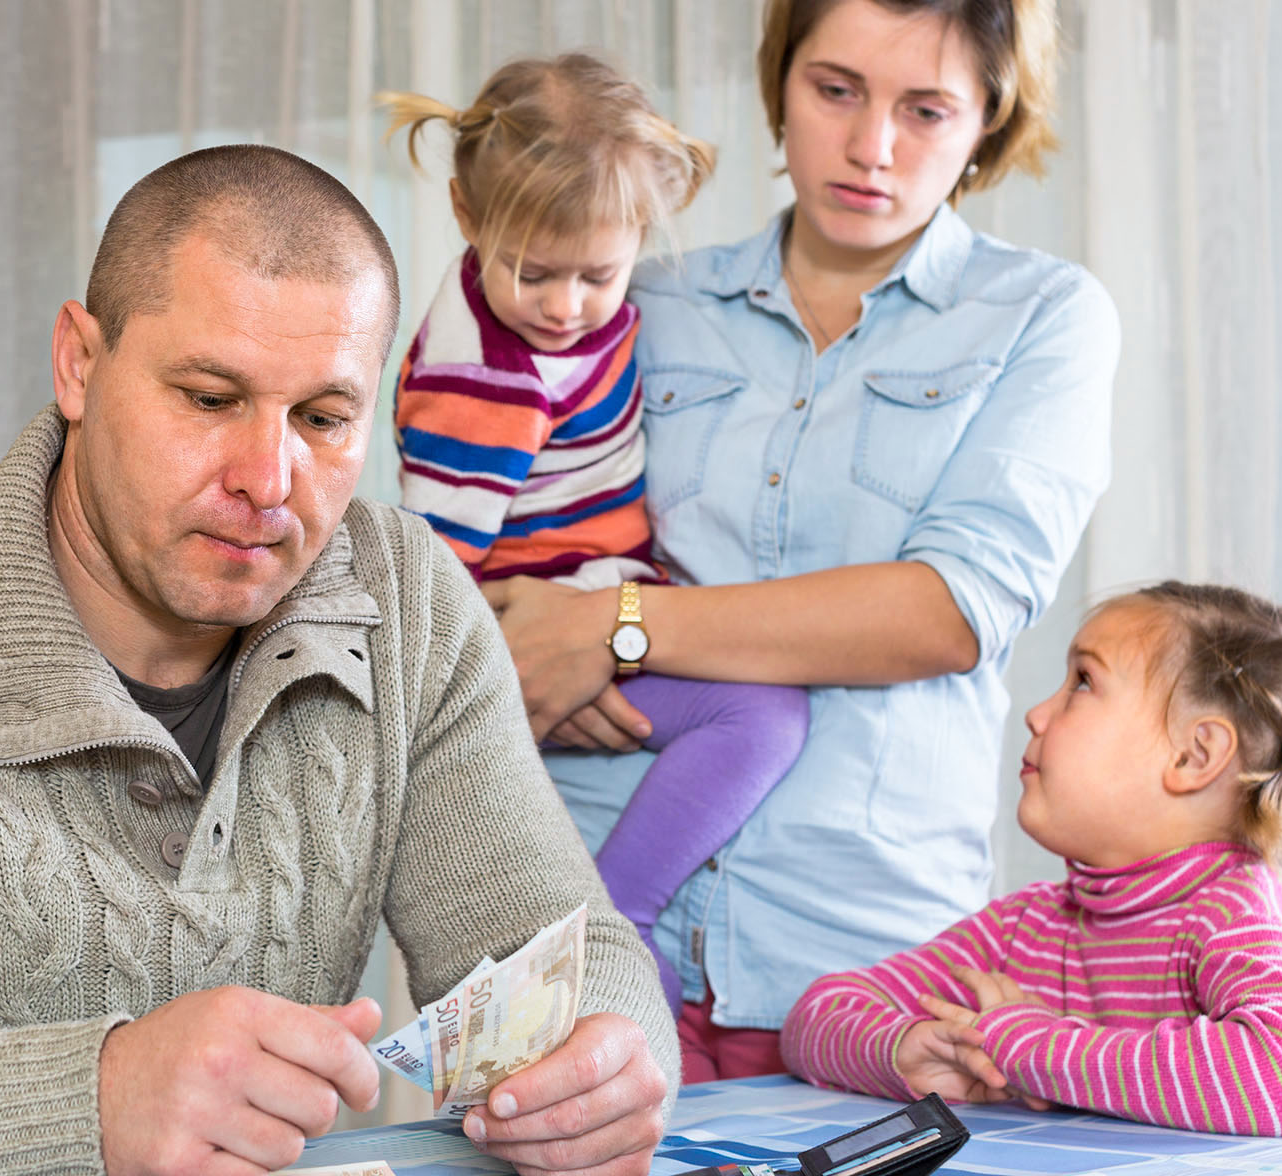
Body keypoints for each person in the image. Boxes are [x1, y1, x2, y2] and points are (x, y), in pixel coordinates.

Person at [0, 145, 676, 1176]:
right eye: (209, 399)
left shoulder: (409, 603)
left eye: (324, 418)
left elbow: (570, 957)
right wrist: (92, 1097)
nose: (268, 477)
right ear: (78, 364)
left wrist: (611, 1063)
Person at [489, 0, 1119, 1084]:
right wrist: (536, 642)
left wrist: (614, 630)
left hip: (859, 967)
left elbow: (946, 612)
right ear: (778, 81)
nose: (870, 148)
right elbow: (512, 530)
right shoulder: (638, 294)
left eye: (924, 109)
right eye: (834, 90)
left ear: (986, 120)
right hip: (576, 917)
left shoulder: (1042, 317)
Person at [381, 54, 810, 1018]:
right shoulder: (482, 386)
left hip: (597, 606)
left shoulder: (560, 312)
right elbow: (433, 573)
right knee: (766, 715)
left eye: (599, 275)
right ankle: (618, 920)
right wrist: (513, 689)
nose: (567, 307)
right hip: (548, 620)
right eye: (535, 273)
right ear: (464, 215)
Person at [782, 582, 1282, 1137]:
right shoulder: (1023, 928)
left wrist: (1030, 1045)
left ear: (1194, 755)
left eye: (1083, 682)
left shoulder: (1237, 909)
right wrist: (902, 1050)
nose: (1037, 713)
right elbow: (815, 1017)